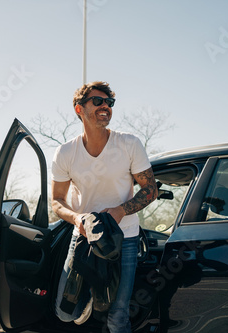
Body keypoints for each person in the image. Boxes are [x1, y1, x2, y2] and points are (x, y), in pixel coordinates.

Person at [52, 81, 157, 332]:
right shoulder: (65, 153)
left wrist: (121, 211)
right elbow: (57, 200)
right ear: (79, 109)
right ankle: (92, 295)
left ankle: (103, 301)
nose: (105, 107)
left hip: (125, 239)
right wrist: (78, 219)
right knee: (65, 313)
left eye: (109, 103)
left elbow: (150, 189)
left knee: (118, 316)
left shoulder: (129, 144)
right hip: (84, 239)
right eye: (97, 101)